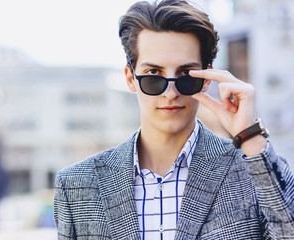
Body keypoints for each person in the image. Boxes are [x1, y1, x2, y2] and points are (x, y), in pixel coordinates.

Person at [53, 0, 294, 239]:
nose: (171, 93)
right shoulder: (77, 185)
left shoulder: (254, 172)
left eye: (186, 75)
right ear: (130, 78)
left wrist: (250, 135)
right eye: (153, 74)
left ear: (206, 78)